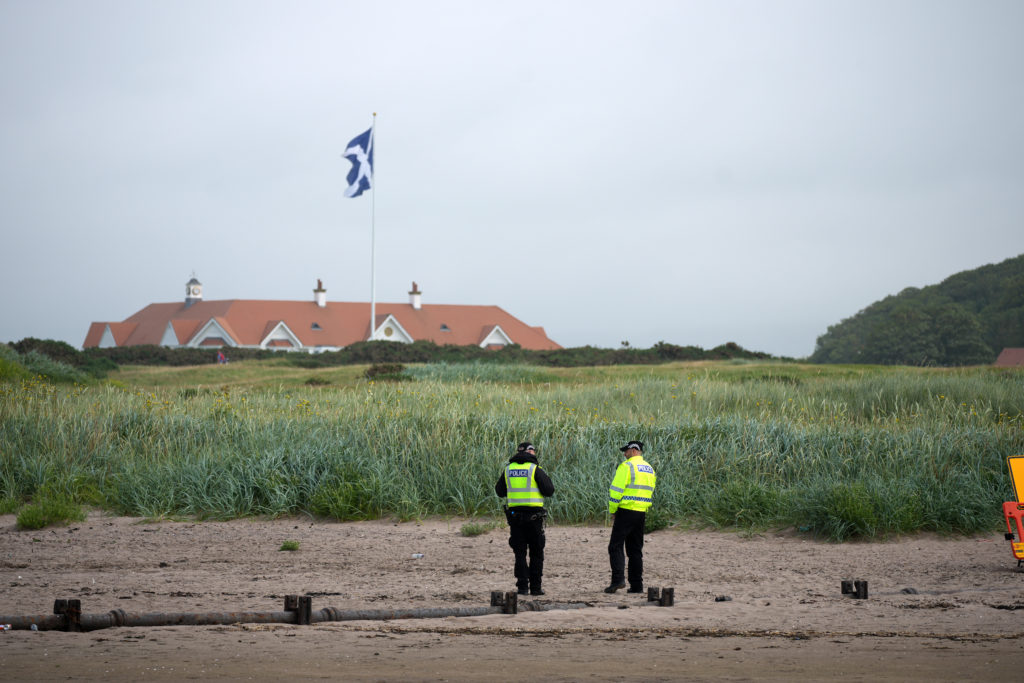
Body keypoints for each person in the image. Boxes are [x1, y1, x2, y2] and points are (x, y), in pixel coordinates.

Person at [495, 441, 554, 596]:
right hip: (534, 518)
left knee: (519, 553)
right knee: (536, 552)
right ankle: (535, 588)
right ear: (530, 452)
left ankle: (522, 587)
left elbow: (499, 491)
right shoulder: (534, 469)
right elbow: (549, 490)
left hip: (515, 518)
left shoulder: (508, 469)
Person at [605, 440, 656, 594]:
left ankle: (618, 580)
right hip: (641, 512)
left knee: (615, 546)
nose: (624, 454)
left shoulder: (626, 467)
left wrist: (613, 510)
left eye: (626, 451)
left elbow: (616, 491)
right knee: (635, 550)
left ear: (634, 450)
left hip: (626, 510)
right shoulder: (649, 468)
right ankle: (636, 586)